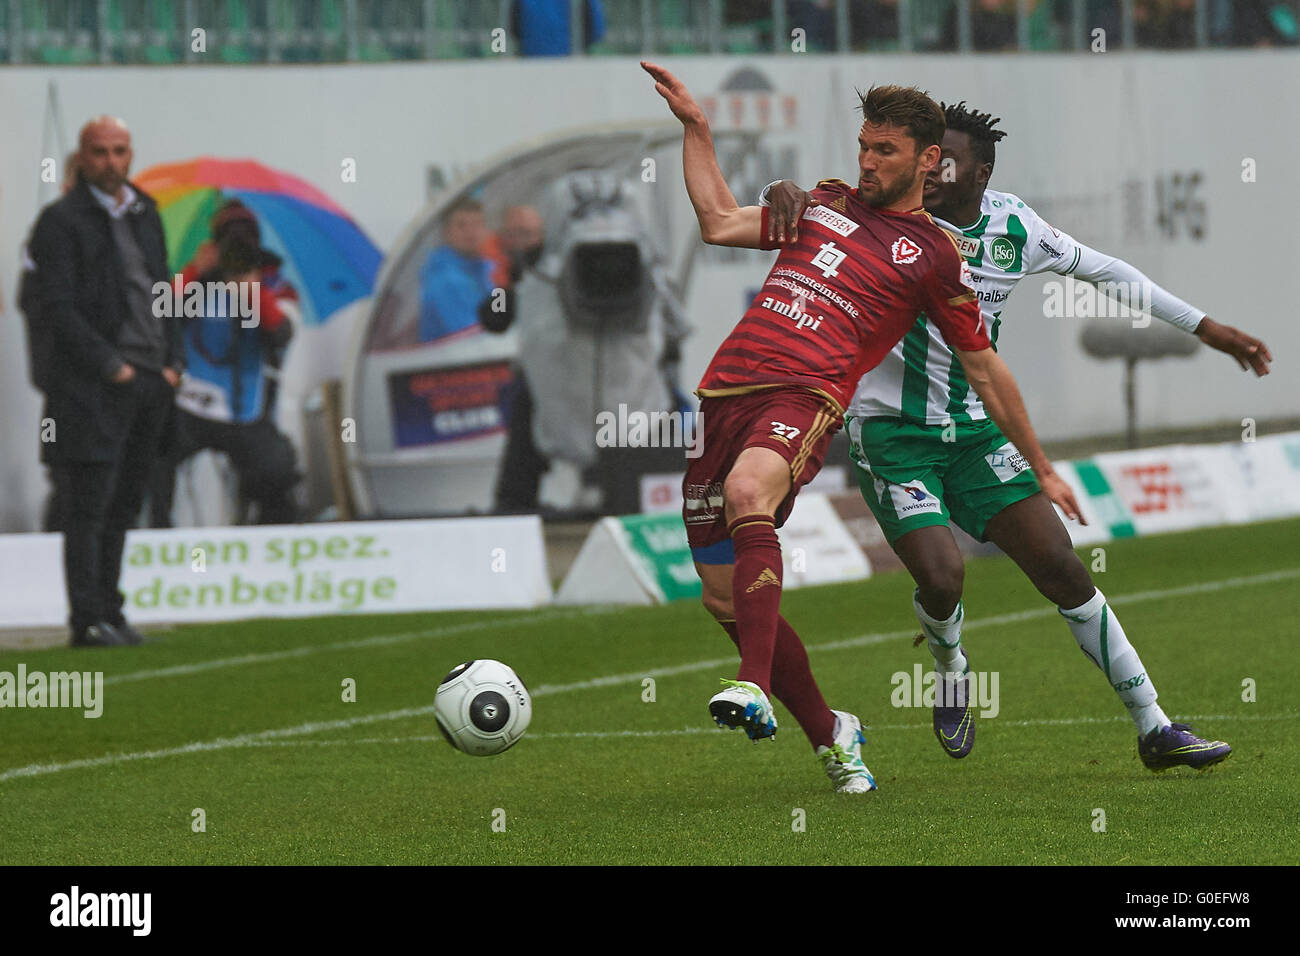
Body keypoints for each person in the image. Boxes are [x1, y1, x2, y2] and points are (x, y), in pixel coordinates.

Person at [767, 100, 1270, 770]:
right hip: (891, 433)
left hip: (976, 432)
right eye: (924, 157)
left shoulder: (1014, 227)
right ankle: (951, 669)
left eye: (943, 159)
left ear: (981, 172)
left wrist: (1206, 327)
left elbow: (1109, 272)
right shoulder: (876, 215)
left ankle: (1155, 728)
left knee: (1063, 567)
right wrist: (783, 194)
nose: (930, 169)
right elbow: (797, 212)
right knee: (944, 578)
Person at [643, 61, 1079, 792]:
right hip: (725, 394)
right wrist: (697, 129)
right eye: (864, 147)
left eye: (886, 151)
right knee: (723, 597)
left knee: (753, 491)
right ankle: (832, 734)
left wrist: (1038, 461)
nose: (868, 162)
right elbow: (719, 222)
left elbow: (984, 367)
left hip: (806, 395)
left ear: (926, 158)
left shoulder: (934, 255)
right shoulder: (823, 202)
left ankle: (750, 685)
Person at [26, 116, 184, 648]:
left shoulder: (146, 212)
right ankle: (85, 618)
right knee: (87, 504)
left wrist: (173, 361)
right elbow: (59, 307)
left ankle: (111, 610)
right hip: (94, 386)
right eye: (100, 152)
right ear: (82, 156)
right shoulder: (60, 221)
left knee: (125, 501)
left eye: (120, 151)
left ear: (131, 154)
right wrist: (108, 364)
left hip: (149, 378)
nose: (111, 162)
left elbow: (161, 288)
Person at [148, 200, 301, 527]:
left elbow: (283, 333)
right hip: (190, 404)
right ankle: (156, 537)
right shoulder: (196, 280)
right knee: (147, 452)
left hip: (245, 410)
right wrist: (194, 272)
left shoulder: (275, 286)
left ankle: (266, 542)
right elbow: (156, 314)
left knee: (277, 468)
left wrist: (253, 292)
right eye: (228, 242)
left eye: (244, 243)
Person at [417, 197, 495, 344]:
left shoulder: (485, 271)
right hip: (451, 362)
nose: (471, 232)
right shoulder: (444, 280)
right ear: (446, 233)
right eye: (461, 225)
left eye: (477, 224)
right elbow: (471, 339)